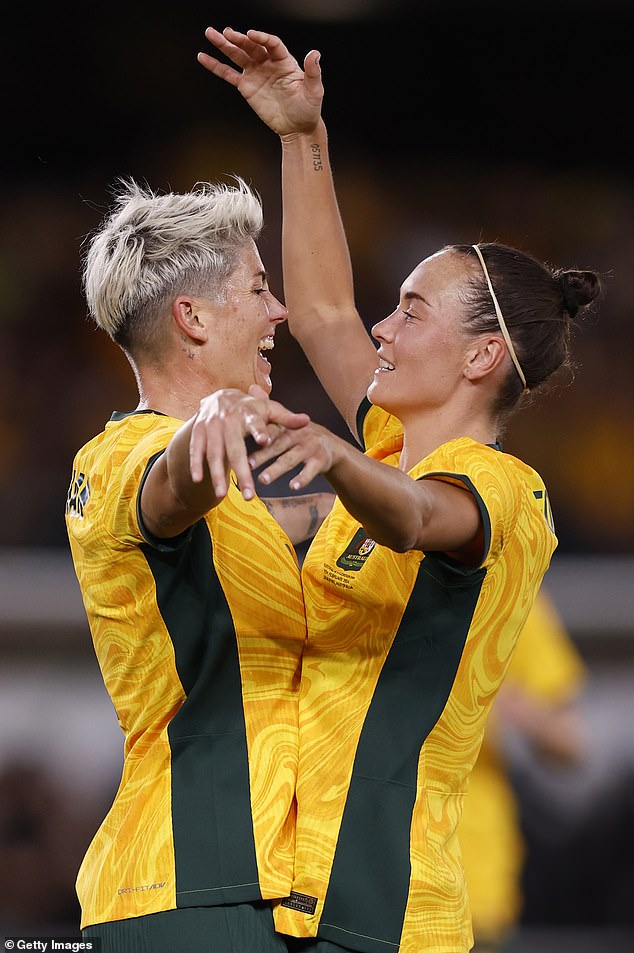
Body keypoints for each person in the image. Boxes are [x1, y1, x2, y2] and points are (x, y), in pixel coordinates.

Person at [197, 26, 604, 953]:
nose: (382, 325)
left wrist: (334, 461)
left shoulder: (505, 492)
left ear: (481, 355)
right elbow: (327, 311)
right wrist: (303, 138)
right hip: (299, 893)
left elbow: (421, 517)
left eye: (411, 311)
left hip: (392, 911)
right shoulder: (391, 442)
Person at [64, 175, 333, 952]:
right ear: (193, 317)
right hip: (188, 883)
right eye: (258, 287)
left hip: (258, 884)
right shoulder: (119, 457)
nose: (277, 311)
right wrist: (208, 416)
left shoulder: (245, 501)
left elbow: (304, 520)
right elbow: (170, 487)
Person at [458, 587, 587, 952]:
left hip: (469, 873)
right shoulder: (371, 567)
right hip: (364, 869)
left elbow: (571, 741)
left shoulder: (512, 589)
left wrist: (514, 706)